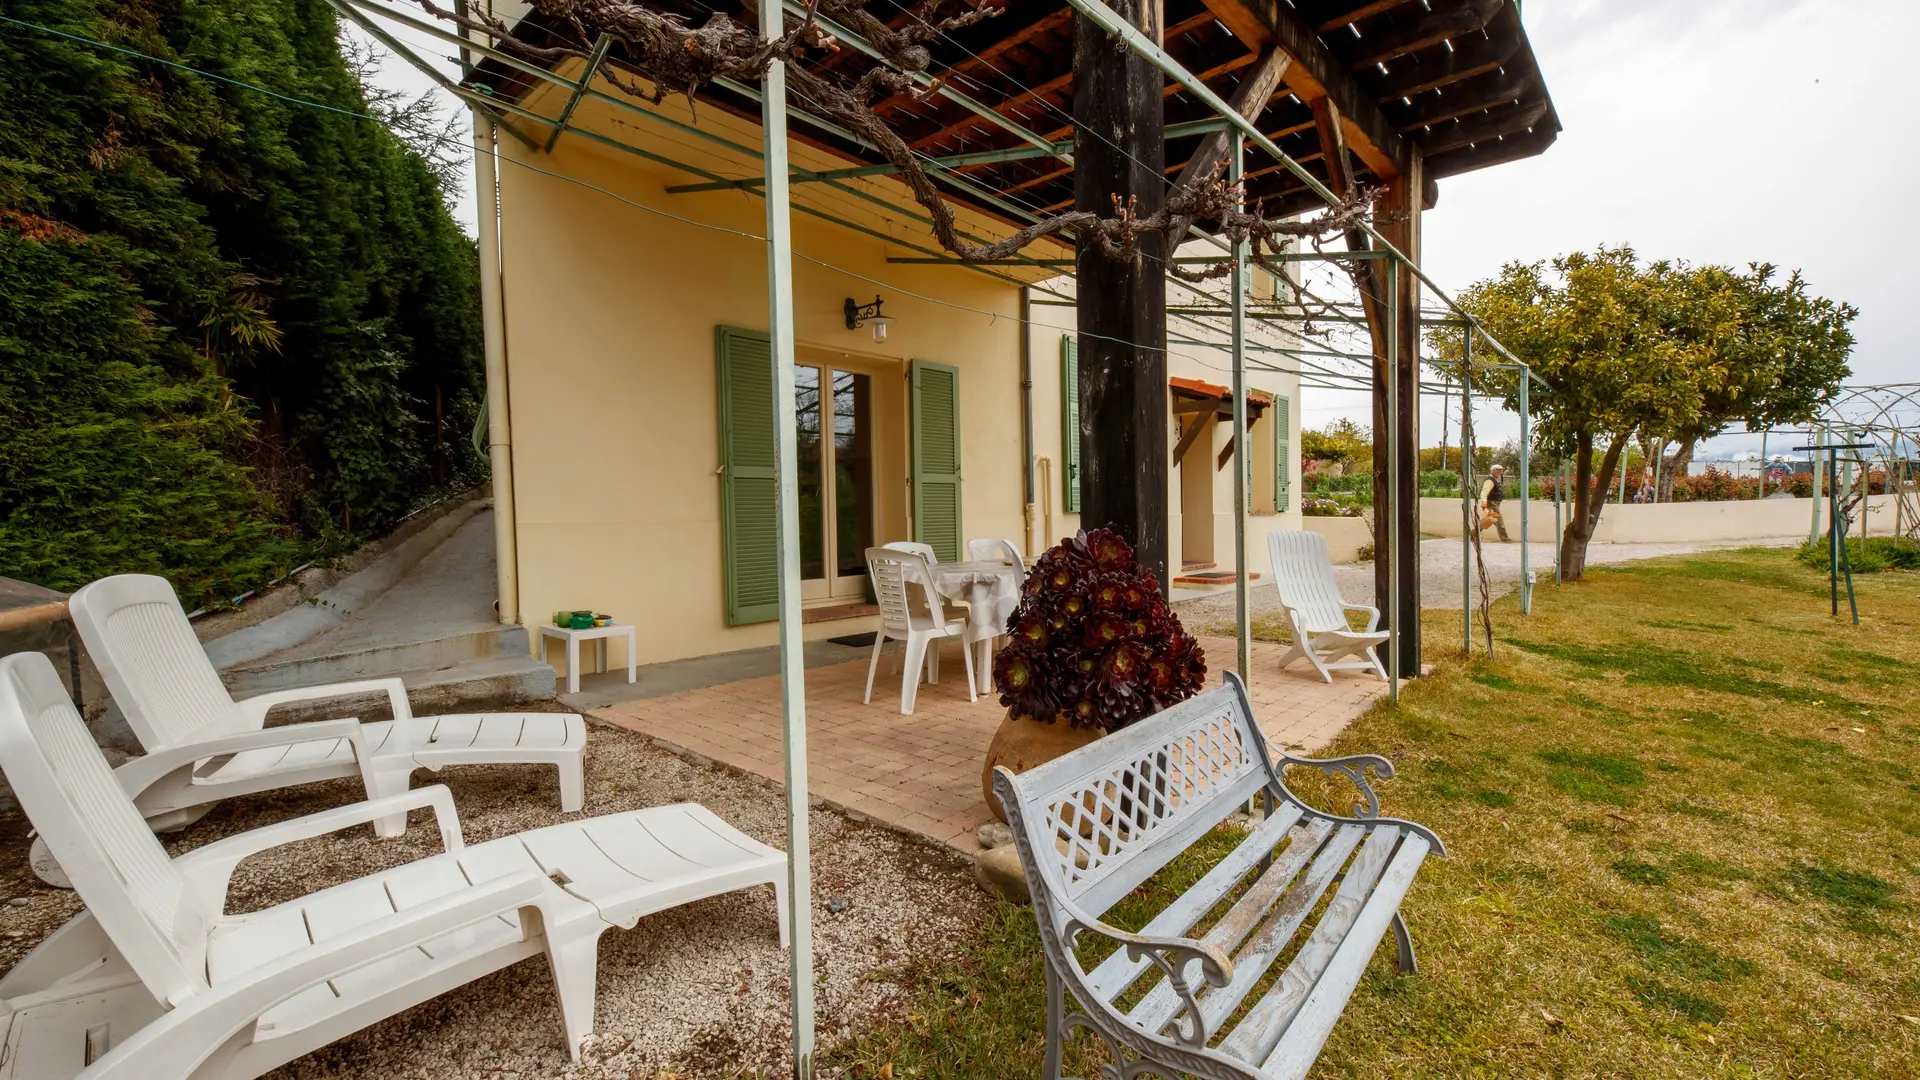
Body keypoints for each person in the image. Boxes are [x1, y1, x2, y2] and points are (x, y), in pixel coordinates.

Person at [1478, 463, 1511, 542]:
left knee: (1488, 520)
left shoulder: (1495, 480)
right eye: (1498, 470)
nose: (1500, 472)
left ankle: (1472, 535)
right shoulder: (1490, 481)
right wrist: (1484, 504)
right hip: (1492, 503)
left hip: (1493, 503)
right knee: (1499, 520)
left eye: (1501, 470)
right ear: (1493, 471)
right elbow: (1484, 493)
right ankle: (1504, 538)